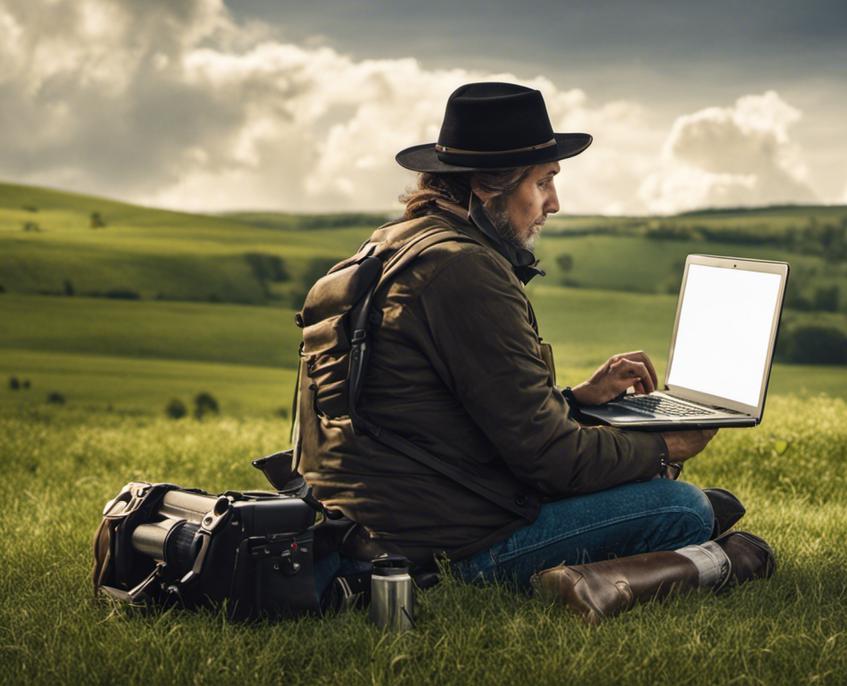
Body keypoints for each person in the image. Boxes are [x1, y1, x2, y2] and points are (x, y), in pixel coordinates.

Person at [298, 82, 774, 622]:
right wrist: (665, 447)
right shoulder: (465, 270)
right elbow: (551, 463)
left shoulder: (392, 247)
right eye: (542, 182)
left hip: (370, 526)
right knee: (682, 506)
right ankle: (598, 582)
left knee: (684, 498)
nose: (554, 203)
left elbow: (453, 421)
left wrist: (576, 399)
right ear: (488, 184)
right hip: (444, 548)